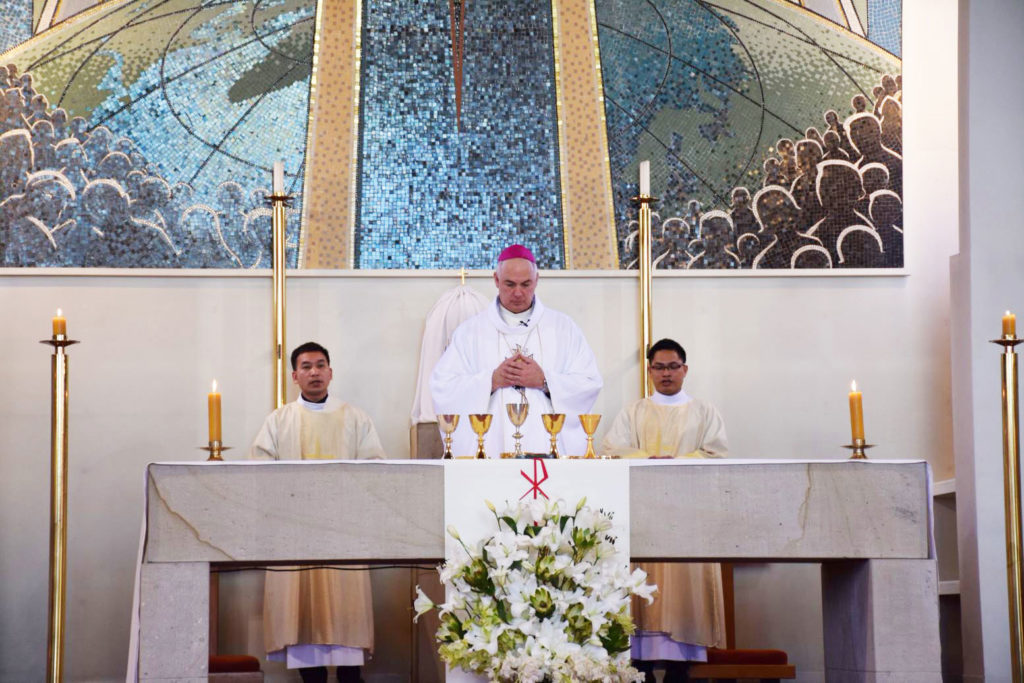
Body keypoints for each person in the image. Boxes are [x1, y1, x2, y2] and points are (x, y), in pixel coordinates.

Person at [250, 341, 385, 683]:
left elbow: (375, 471)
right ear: (294, 376)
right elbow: (260, 472)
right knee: (302, 620)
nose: (314, 372)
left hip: (344, 533)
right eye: (306, 367)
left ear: (330, 372)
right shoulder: (279, 421)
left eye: (320, 365)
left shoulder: (355, 418)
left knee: (347, 623)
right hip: (296, 534)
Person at [602, 338, 727, 683]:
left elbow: (717, 454)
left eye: (673, 367)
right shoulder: (633, 412)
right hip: (642, 518)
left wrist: (676, 462)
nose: (666, 373)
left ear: (685, 370)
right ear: (649, 370)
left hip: (688, 519)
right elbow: (611, 450)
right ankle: (640, 665)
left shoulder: (704, 412)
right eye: (659, 367)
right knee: (643, 592)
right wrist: (648, 459)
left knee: (682, 594)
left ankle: (679, 666)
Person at [430, 244, 602, 457]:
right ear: (496, 280)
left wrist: (545, 382)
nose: (518, 293)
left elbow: (589, 382)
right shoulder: (470, 332)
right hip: (491, 450)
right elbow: (442, 387)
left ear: (536, 280)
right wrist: (491, 381)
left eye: (526, 284)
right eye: (510, 284)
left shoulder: (563, 328)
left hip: (549, 452)